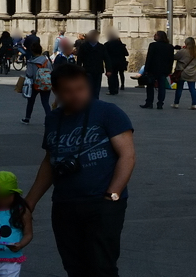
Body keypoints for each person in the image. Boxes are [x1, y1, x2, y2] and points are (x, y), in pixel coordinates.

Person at [25, 64, 135, 277]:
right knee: (74, 266)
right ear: (56, 91)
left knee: (102, 266)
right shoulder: (53, 119)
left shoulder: (109, 113)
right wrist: (29, 202)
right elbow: (50, 161)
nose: (76, 95)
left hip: (102, 202)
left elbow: (127, 156)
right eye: (68, 90)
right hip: (65, 203)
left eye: (81, 88)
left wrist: (112, 196)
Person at [22, 41, 54, 124]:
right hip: (46, 83)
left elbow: (29, 74)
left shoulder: (31, 61)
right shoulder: (46, 60)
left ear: (32, 51)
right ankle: (49, 120)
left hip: (35, 84)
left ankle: (27, 118)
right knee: (45, 102)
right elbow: (51, 70)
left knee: (31, 101)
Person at [140, 31, 174, 109]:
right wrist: (169, 70)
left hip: (153, 69)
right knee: (162, 87)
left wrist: (146, 69)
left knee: (150, 86)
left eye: (155, 35)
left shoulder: (153, 45)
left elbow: (149, 58)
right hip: (163, 70)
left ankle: (149, 102)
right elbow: (171, 60)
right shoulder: (170, 47)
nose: (154, 36)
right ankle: (160, 103)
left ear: (159, 36)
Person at [76, 30, 106, 100]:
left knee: (97, 87)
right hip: (87, 70)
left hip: (98, 70)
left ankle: (95, 101)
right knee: (89, 86)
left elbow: (106, 58)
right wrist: (78, 69)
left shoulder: (101, 47)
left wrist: (109, 70)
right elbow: (80, 58)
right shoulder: (84, 46)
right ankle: (89, 100)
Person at [172, 37, 196, 108]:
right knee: (192, 89)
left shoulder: (183, 51)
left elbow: (174, 57)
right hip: (192, 72)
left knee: (179, 88)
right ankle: (194, 104)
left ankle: (176, 103)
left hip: (182, 72)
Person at [103, 32, 129, 96]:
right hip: (119, 62)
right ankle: (116, 89)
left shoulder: (107, 44)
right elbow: (126, 53)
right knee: (116, 75)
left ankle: (112, 90)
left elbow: (104, 55)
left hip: (110, 62)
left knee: (111, 76)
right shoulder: (121, 45)